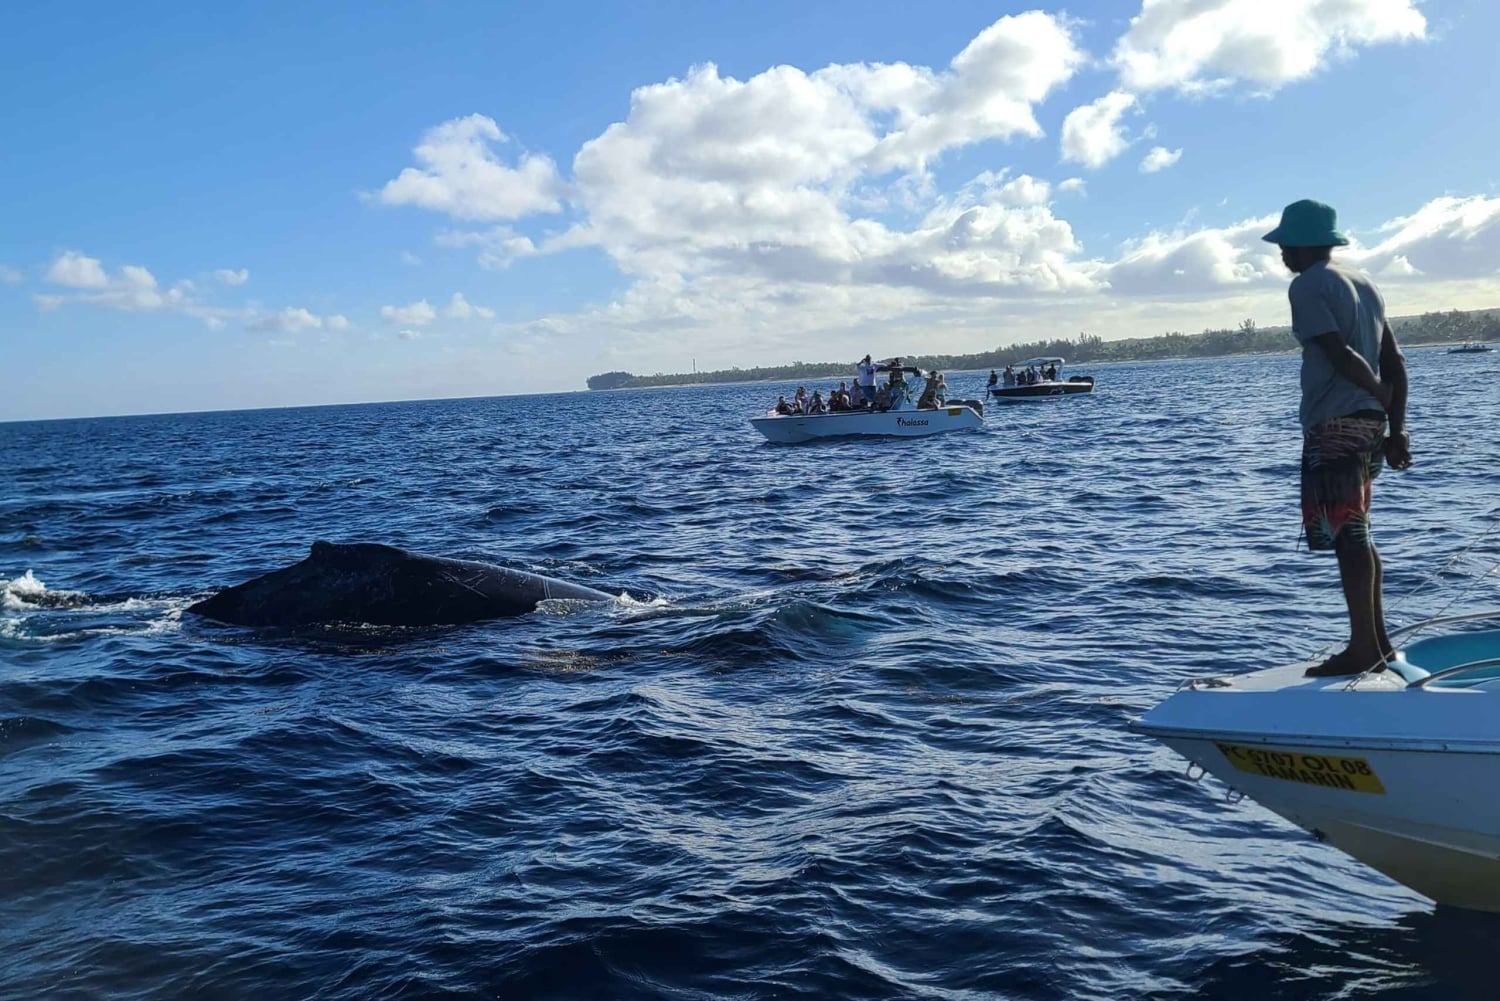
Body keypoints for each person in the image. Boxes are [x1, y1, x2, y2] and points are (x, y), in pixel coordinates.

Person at [1263, 198, 1412, 677]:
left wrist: (1377, 392)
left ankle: (1363, 649)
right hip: (1371, 424)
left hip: (1337, 423)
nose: (1282, 251)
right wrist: (1397, 424)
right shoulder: (1365, 285)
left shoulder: (1308, 285)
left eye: (1287, 243)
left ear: (1305, 245)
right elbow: (1397, 362)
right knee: (1359, 531)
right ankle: (1380, 644)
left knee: (1349, 534)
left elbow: (1341, 354)